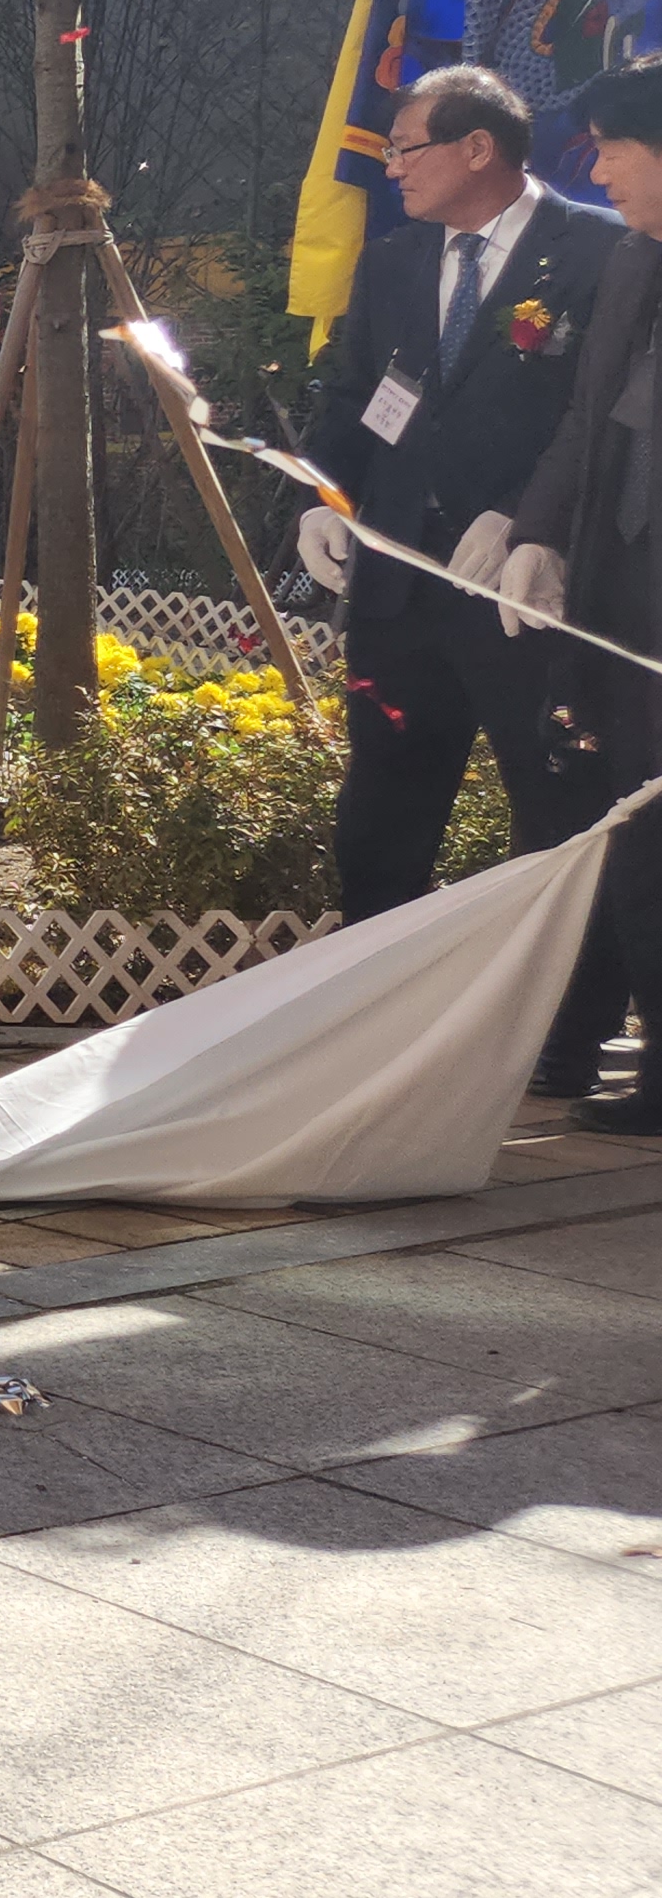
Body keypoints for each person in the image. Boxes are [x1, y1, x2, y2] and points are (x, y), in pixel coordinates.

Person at [303, 71, 621, 976]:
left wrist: (530, 516)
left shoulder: (599, 252)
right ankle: (367, 1001)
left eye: (406, 146)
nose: (391, 166)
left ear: (476, 147)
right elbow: (358, 398)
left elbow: (597, 419)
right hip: (398, 587)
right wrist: (321, 500)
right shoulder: (397, 259)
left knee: (554, 804)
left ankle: (557, 1033)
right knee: (383, 811)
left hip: (525, 590)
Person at [500, 58, 662, 1136]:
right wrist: (534, 535)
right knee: (641, 830)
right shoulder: (632, 264)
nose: (594, 168)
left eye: (612, 146)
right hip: (630, 590)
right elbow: (584, 420)